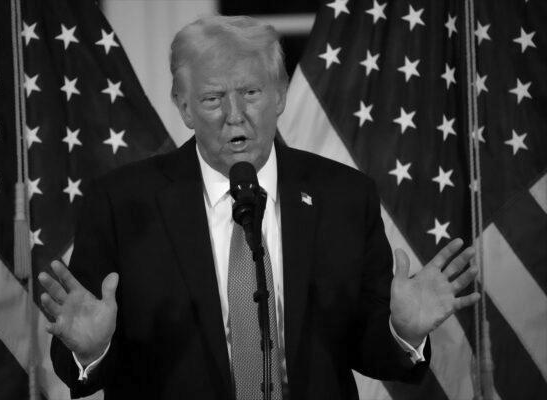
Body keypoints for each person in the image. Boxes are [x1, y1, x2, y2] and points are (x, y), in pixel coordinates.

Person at [41, 16, 479, 400]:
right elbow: (78, 353)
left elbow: (369, 350)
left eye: (251, 92)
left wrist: (403, 331)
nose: (235, 115)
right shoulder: (122, 204)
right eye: (213, 98)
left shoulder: (344, 196)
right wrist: (91, 350)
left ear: (280, 95)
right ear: (184, 107)